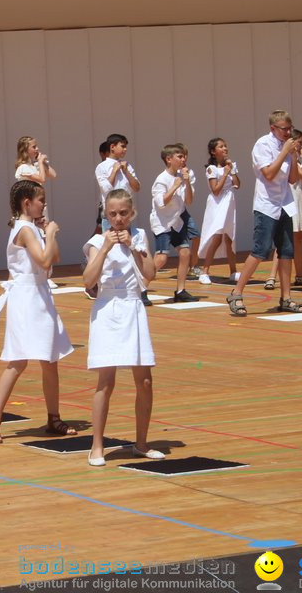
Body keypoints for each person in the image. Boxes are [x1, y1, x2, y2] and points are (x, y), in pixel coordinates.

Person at [0, 180, 75, 444]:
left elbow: (52, 258)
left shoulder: (33, 229)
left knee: (49, 359)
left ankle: (53, 417)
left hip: (40, 295)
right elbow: (44, 259)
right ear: (27, 203)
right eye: (40, 200)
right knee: (18, 360)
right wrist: (53, 233)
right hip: (26, 297)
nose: (44, 204)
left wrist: (47, 234)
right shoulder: (23, 229)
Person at [82, 189, 165, 465]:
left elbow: (150, 274)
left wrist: (132, 247)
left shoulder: (139, 237)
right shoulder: (97, 241)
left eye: (123, 213)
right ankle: (96, 446)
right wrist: (105, 248)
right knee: (106, 381)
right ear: (107, 214)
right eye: (113, 214)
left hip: (133, 307)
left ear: (132, 214)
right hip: (107, 309)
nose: (118, 219)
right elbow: (88, 280)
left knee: (144, 380)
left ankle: (141, 443)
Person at [225, 110, 302, 317]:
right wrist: (283, 153)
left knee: (287, 251)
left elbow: (292, 179)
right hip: (266, 205)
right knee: (260, 250)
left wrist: (294, 154)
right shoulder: (263, 145)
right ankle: (236, 292)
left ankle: (286, 297)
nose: (288, 133)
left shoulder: (288, 147)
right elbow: (269, 174)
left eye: (290, 128)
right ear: (273, 128)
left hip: (285, 204)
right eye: (284, 129)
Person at [264, 129, 302, 288]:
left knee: (299, 239)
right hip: (288, 200)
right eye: (298, 142)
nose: (301, 145)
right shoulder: (287, 157)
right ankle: (272, 276)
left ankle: (300, 274)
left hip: (301, 198)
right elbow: (299, 174)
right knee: (284, 240)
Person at [149, 144, 198, 302]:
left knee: (185, 253)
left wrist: (187, 182)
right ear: (169, 159)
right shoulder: (161, 180)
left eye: (184, 156)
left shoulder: (184, 177)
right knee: (162, 258)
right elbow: (161, 203)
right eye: (180, 156)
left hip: (176, 221)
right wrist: (176, 185)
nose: (183, 159)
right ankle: (141, 286)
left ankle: (181, 290)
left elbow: (189, 201)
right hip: (162, 223)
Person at [198, 138, 240, 285]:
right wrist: (225, 173)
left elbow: (237, 184)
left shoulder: (230, 166)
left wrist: (232, 170)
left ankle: (233, 271)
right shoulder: (211, 169)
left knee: (229, 236)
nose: (225, 148)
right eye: (221, 147)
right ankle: (204, 271)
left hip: (229, 202)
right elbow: (215, 190)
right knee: (216, 236)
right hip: (217, 204)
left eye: (225, 146)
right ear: (213, 152)